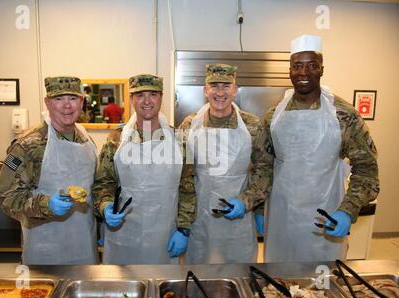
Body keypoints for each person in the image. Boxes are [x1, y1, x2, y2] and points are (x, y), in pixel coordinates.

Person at [259, 35, 379, 262]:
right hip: (281, 221)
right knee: (281, 287)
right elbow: (263, 168)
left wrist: (347, 210)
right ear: (290, 71)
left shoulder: (343, 115)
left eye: (312, 65)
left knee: (322, 288)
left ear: (322, 70)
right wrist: (256, 209)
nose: (304, 73)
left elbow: (367, 169)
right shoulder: (273, 116)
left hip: (326, 220)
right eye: (297, 66)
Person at [167, 64, 269, 264]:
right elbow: (182, 176)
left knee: (239, 281)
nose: (220, 92)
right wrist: (183, 225)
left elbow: (264, 170)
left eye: (226, 86)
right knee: (198, 283)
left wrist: (248, 202)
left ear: (235, 89)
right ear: (205, 90)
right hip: (200, 222)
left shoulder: (253, 126)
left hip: (239, 223)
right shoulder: (189, 126)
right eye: (214, 86)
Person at [0, 76, 99, 265]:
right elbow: (7, 198)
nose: (67, 105)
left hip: (84, 245)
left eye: (73, 98)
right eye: (59, 99)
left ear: (82, 102)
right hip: (45, 248)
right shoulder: (27, 144)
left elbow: (95, 189)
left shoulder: (86, 140)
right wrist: (45, 205)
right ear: (47, 103)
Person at [92, 74, 183, 264]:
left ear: (161, 97)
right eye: (140, 95)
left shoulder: (179, 138)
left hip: (165, 234)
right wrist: (105, 207)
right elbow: (104, 183)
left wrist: (185, 230)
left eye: (153, 94)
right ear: (131, 99)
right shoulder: (116, 138)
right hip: (123, 233)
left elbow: (188, 186)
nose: (147, 101)